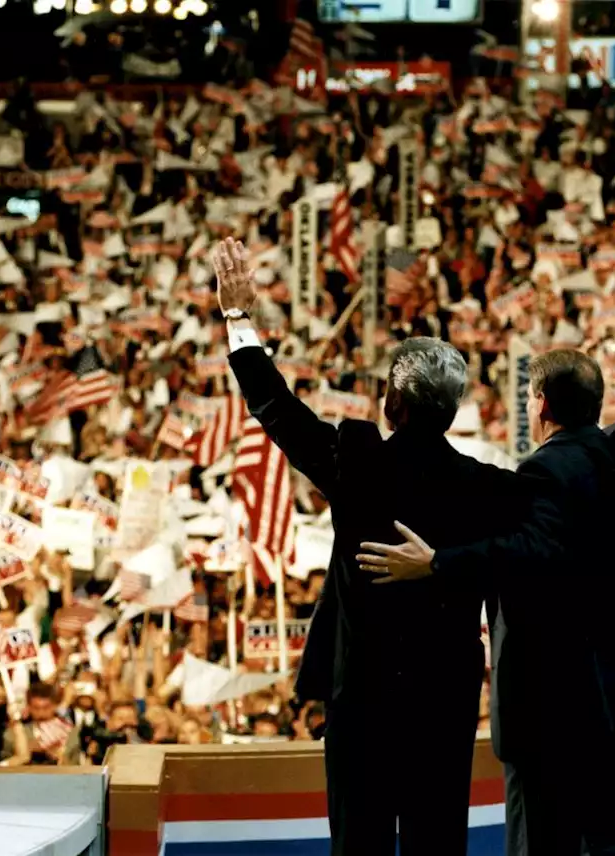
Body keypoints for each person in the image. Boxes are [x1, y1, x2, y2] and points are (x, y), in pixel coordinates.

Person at [358, 254, 615, 856]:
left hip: (548, 701)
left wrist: (433, 562)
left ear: (539, 405)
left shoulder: (539, 472)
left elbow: (525, 550)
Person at [211, 236, 523, 856]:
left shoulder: (358, 463)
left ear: (394, 403)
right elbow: (532, 550)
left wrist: (238, 317)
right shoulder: (487, 489)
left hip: (363, 701)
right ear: (450, 413)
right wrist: (442, 565)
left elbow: (275, 407)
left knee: (360, 844)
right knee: (437, 843)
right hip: (444, 702)